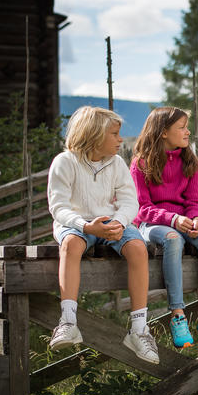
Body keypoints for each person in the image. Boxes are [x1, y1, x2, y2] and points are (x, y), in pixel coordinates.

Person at [46, 106, 159, 364]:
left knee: (138, 249)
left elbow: (131, 202)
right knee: (71, 246)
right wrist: (85, 226)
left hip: (111, 222)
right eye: (115, 134)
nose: (121, 139)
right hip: (76, 223)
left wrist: (118, 223)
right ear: (94, 134)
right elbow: (59, 207)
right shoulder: (64, 162)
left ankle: (139, 330)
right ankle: (68, 322)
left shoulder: (117, 163)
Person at [130, 106, 198, 349]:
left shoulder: (189, 160)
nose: (187, 133)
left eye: (187, 128)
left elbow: (196, 200)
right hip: (152, 225)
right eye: (181, 128)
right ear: (163, 132)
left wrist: (196, 218)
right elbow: (141, 208)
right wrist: (173, 220)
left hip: (185, 221)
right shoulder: (141, 164)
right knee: (173, 239)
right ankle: (178, 316)